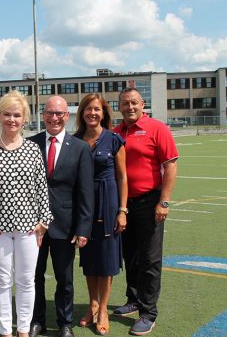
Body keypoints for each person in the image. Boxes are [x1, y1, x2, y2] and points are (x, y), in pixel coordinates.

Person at [0, 90, 53, 337]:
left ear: (24, 120)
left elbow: (41, 187)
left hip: (28, 228)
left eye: (17, 115)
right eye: (7, 114)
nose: (12, 119)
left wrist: (43, 223)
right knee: (1, 282)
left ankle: (23, 329)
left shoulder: (33, 150)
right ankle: (4, 331)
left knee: (26, 281)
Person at [112, 87, 179, 336]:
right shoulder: (116, 132)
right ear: (119, 106)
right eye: (124, 103)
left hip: (150, 201)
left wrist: (164, 202)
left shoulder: (157, 128)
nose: (129, 107)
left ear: (142, 104)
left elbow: (170, 166)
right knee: (130, 255)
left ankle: (148, 312)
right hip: (124, 203)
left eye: (134, 102)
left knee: (150, 259)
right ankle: (134, 298)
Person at [28, 95, 94, 337]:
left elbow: (86, 193)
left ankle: (65, 323)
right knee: (33, 277)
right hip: (33, 226)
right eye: (49, 113)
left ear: (67, 116)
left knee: (64, 279)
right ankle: (36, 321)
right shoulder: (30, 144)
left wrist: (83, 228)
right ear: (42, 115)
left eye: (59, 114)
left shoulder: (80, 148)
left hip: (65, 226)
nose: (54, 118)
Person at [73, 93, 128, 336]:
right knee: (89, 260)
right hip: (84, 206)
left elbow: (122, 177)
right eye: (88, 109)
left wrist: (122, 211)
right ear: (82, 113)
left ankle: (103, 308)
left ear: (103, 113)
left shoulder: (114, 140)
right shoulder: (74, 140)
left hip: (108, 203)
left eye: (97, 109)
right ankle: (92, 304)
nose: (92, 113)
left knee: (106, 261)